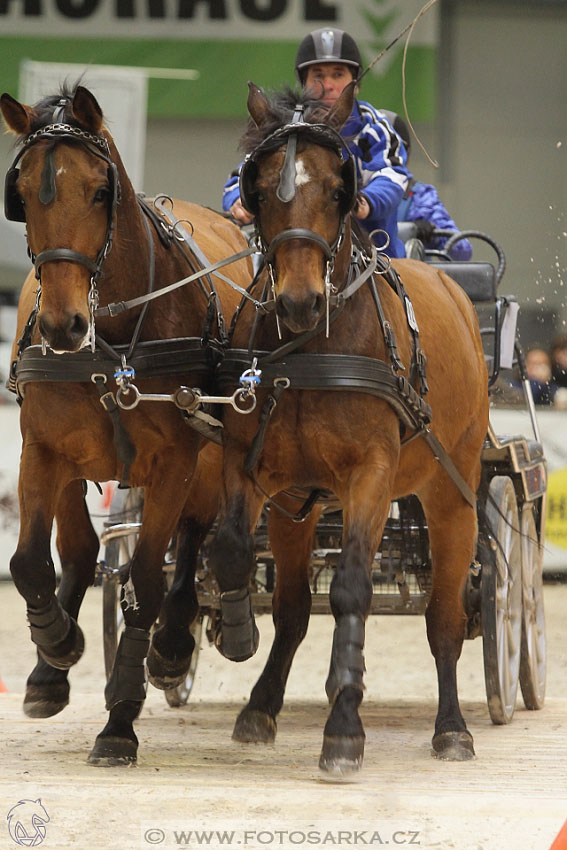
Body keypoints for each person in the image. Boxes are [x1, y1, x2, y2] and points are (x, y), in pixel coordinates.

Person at [222, 27, 410, 259]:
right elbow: (242, 177)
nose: (328, 85)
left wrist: (366, 202)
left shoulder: (376, 128)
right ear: (305, 83)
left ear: (356, 83)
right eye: (318, 76)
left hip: (377, 258)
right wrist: (238, 202)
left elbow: (392, 176)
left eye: (338, 74)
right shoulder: (284, 134)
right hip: (294, 262)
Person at [381, 111, 473, 261]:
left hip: (404, 281)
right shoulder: (341, 195)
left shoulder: (419, 197)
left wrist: (424, 230)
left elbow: (461, 250)